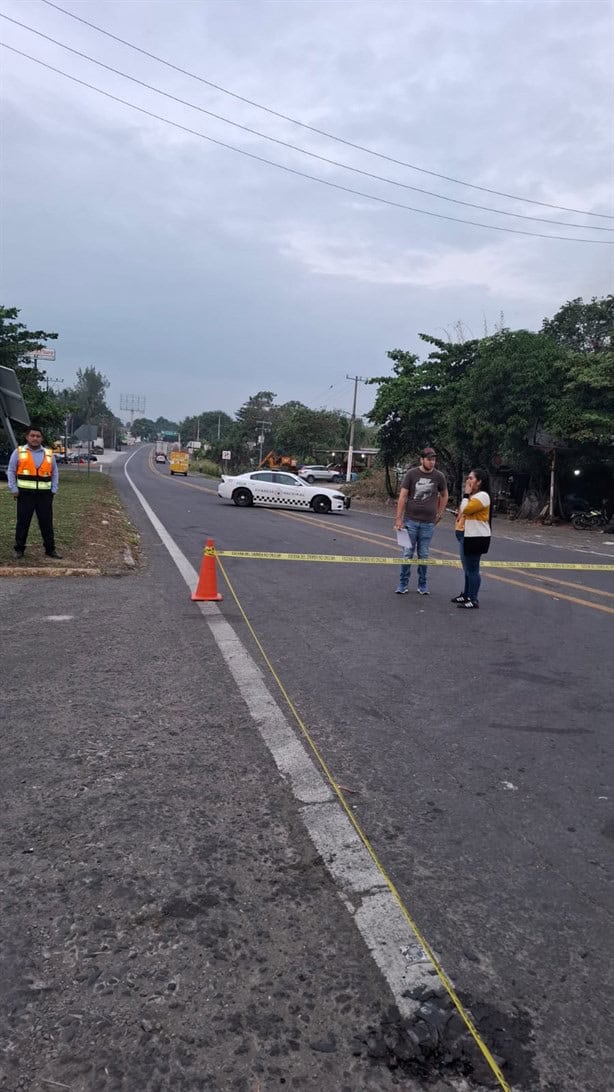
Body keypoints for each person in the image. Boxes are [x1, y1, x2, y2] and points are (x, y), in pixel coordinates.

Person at [394, 446, 448, 595]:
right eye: (429, 459)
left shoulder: (439, 476)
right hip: (410, 520)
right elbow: (403, 496)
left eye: (434, 459)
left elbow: (444, 495)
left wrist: (440, 513)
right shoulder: (412, 474)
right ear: (422, 460)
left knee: (423, 554)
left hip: (428, 523)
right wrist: (399, 518)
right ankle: (403, 583)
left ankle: (422, 584)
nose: (432, 462)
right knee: (407, 553)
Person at [7, 426, 62, 560]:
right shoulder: (19, 452)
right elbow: (11, 471)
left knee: (46, 523)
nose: (35, 438)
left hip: (44, 495)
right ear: (27, 437)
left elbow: (55, 473)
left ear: (41, 438)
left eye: (38, 436)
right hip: (25, 494)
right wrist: (13, 488)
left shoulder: (49, 453)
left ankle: (50, 549)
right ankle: (19, 549)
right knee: (23, 522)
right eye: (32, 436)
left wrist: (54, 489)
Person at [452, 468, 491, 610]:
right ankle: (467, 594)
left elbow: (466, 509)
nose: (468, 481)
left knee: (473, 569)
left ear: (479, 482)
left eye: (471, 478)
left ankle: (473, 599)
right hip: (468, 535)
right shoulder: (475, 496)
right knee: (467, 568)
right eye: (467, 478)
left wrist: (466, 494)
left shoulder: (482, 496)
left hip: (477, 537)